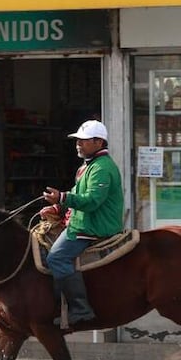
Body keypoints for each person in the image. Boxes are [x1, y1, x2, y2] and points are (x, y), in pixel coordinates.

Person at [40, 119, 124, 327]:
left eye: (83, 141)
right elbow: (78, 195)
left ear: (98, 142)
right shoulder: (88, 167)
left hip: (92, 226)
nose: (78, 144)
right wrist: (58, 208)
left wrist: (62, 198)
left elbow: (92, 201)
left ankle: (80, 309)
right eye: (77, 140)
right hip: (81, 222)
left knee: (57, 258)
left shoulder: (101, 168)